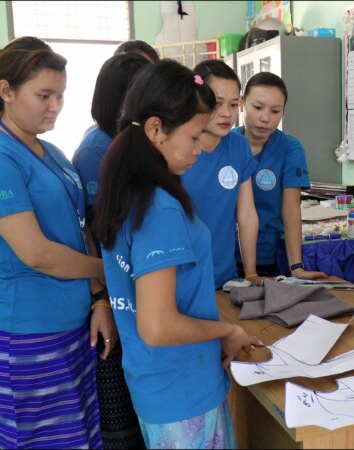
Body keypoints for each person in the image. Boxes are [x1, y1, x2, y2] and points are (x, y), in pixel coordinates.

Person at [0, 37, 114, 448]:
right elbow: (37, 253)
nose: (55, 106)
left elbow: (80, 229)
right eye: (44, 95)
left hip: (72, 327)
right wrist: (109, 272)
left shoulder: (52, 152)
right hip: (27, 338)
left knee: (79, 438)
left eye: (60, 95)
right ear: (5, 91)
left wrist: (99, 299)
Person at [93, 59, 263, 449]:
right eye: (193, 136)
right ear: (155, 129)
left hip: (157, 382)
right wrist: (227, 330)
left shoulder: (128, 189)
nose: (199, 149)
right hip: (182, 386)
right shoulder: (160, 207)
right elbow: (158, 326)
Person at [72, 51, 151, 449]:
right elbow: (97, 233)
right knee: (121, 418)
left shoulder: (129, 141)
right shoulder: (95, 151)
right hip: (117, 293)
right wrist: (104, 298)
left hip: (139, 289)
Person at [233, 72, 327, 280]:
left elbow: (291, 209)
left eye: (275, 111)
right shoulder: (227, 143)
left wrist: (297, 267)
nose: (265, 118)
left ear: (283, 112)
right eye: (257, 107)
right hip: (222, 255)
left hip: (266, 256)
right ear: (241, 103)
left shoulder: (289, 148)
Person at [183, 59, 260, 289]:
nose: (227, 113)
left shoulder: (239, 147)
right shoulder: (176, 148)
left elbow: (246, 215)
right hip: (183, 280)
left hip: (225, 278)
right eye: (217, 104)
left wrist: (251, 273)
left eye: (234, 104)